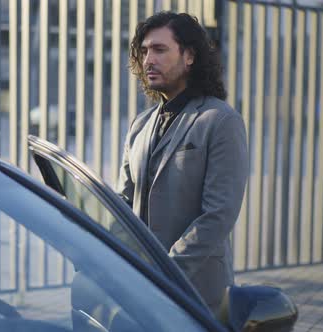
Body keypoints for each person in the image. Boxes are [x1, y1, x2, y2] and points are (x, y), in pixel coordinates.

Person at [116, 12, 249, 313]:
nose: (149, 59)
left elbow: (218, 215)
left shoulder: (221, 121)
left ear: (189, 56)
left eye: (160, 50)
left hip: (198, 292)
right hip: (143, 289)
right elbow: (123, 202)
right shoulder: (140, 124)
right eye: (145, 50)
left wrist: (167, 272)